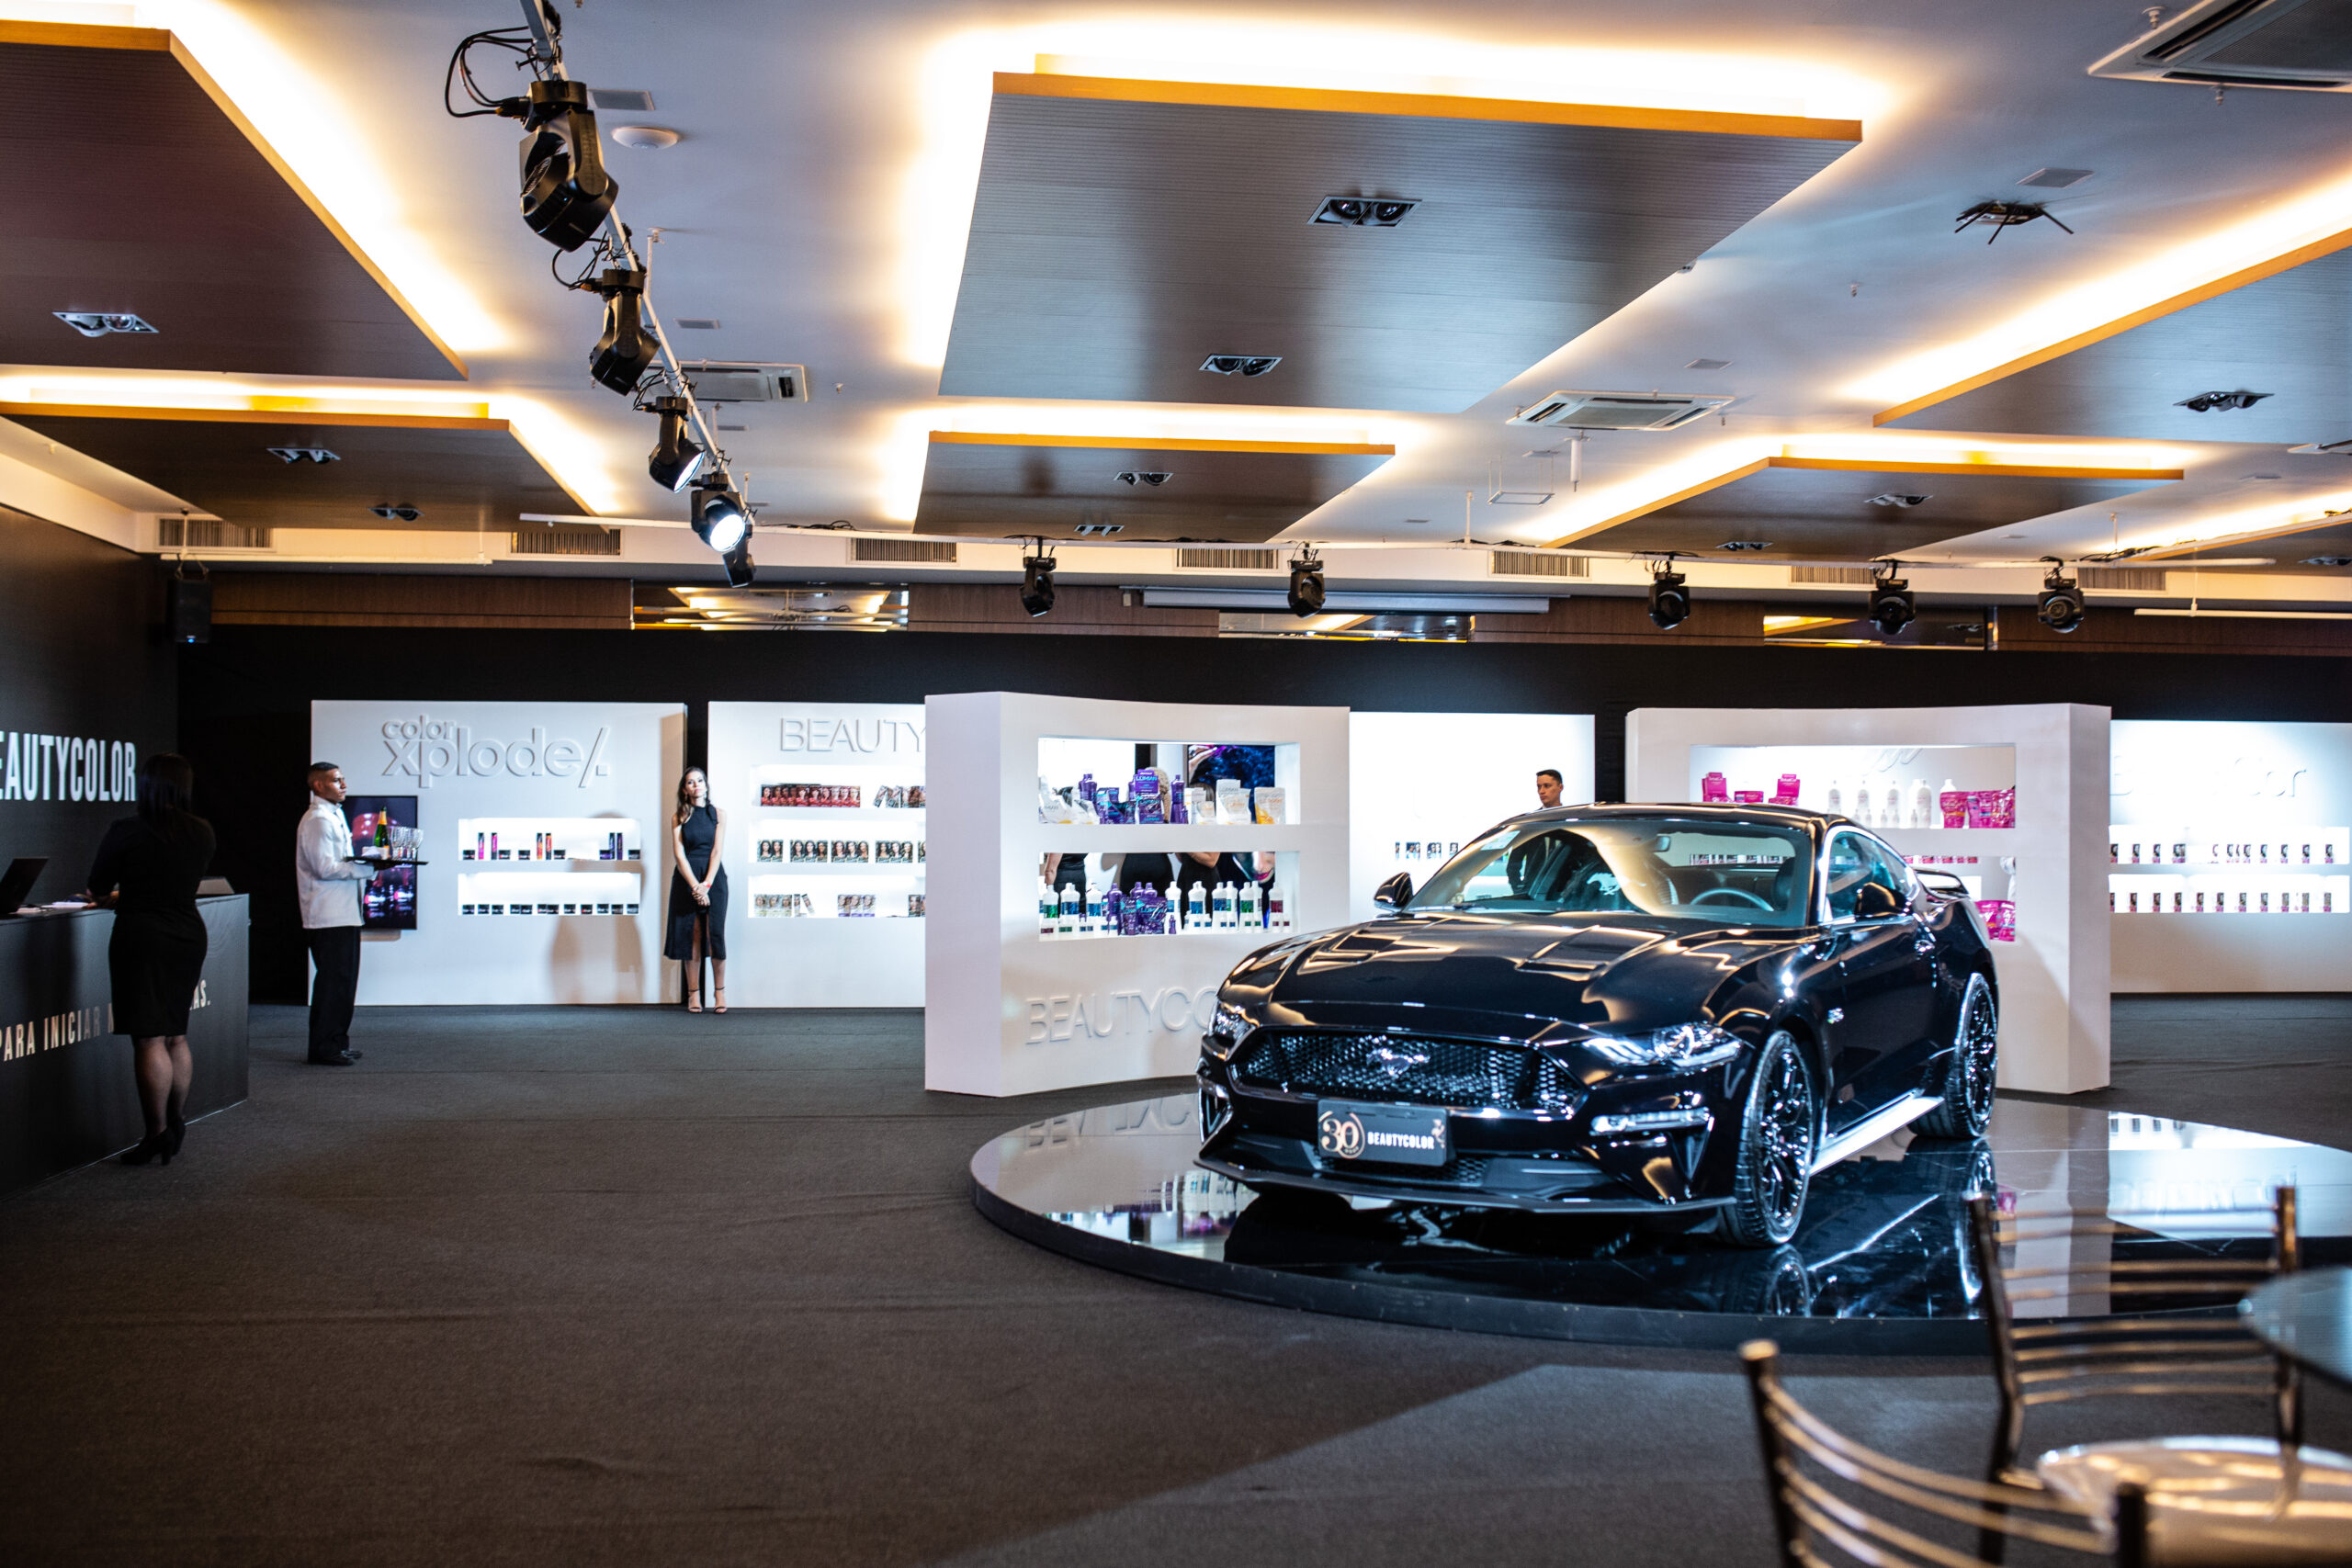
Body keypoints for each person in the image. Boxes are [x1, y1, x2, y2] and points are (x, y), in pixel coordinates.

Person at [84, 753, 216, 1166]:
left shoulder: (127, 830)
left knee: (149, 1038)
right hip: (188, 934)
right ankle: (177, 1121)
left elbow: (97, 886)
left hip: (141, 936)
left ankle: (155, 1133)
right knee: (176, 1033)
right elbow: (179, 879)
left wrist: (118, 894)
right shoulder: (201, 830)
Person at [297, 761, 377, 1066]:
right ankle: (324, 1048)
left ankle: (336, 1042)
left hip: (344, 913)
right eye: (336, 780)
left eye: (343, 779)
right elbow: (325, 867)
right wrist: (368, 868)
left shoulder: (333, 815)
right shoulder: (318, 820)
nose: (343, 785)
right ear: (318, 785)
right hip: (328, 916)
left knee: (343, 983)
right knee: (333, 984)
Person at [666, 766, 729, 1013]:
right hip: (687, 879)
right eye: (691, 782)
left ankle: (719, 992)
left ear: (706, 784)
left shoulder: (719, 814)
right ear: (685, 789)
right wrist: (695, 886)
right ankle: (694, 994)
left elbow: (717, 851)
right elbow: (679, 854)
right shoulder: (679, 816)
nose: (696, 785)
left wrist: (707, 886)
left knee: (715, 936)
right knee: (691, 936)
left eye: (700, 781)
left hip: (713, 879)